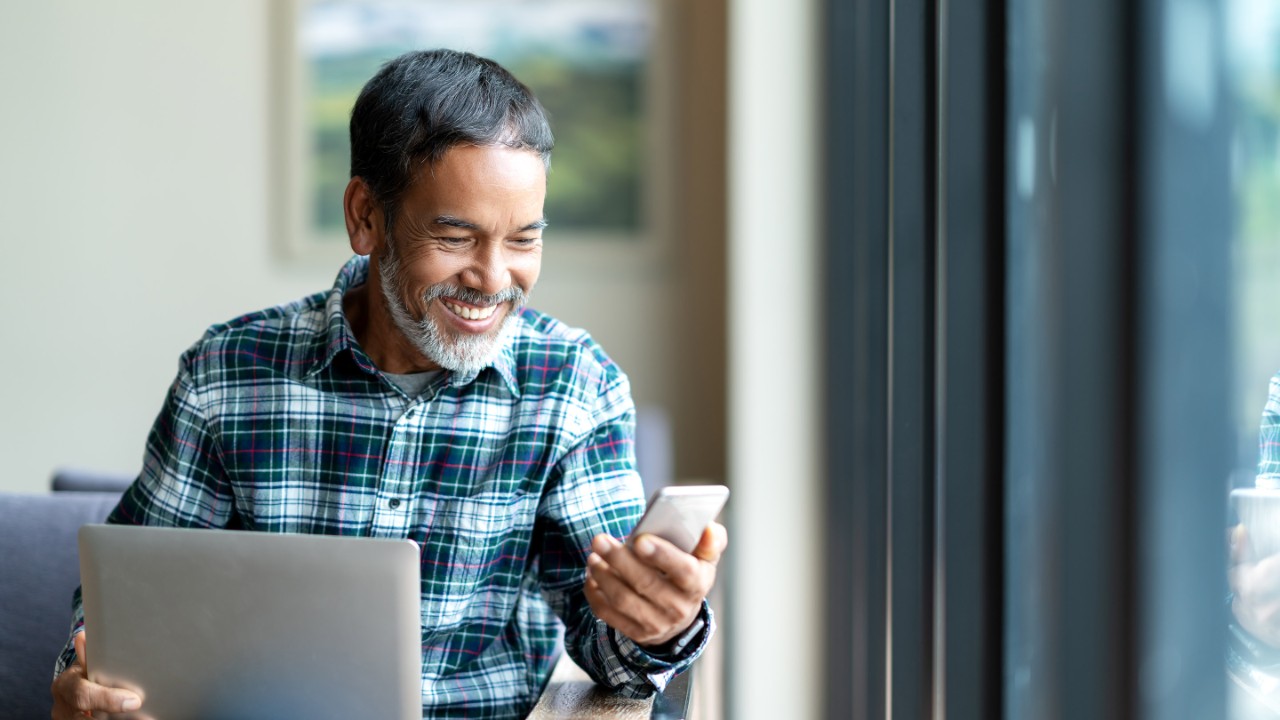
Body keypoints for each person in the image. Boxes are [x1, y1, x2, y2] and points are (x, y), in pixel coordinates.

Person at [49, 49, 727, 720]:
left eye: (523, 240)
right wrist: (88, 675)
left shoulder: (575, 386)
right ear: (366, 217)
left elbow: (609, 655)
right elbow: (132, 608)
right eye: (456, 237)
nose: (493, 279)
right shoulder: (227, 377)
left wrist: (657, 623)